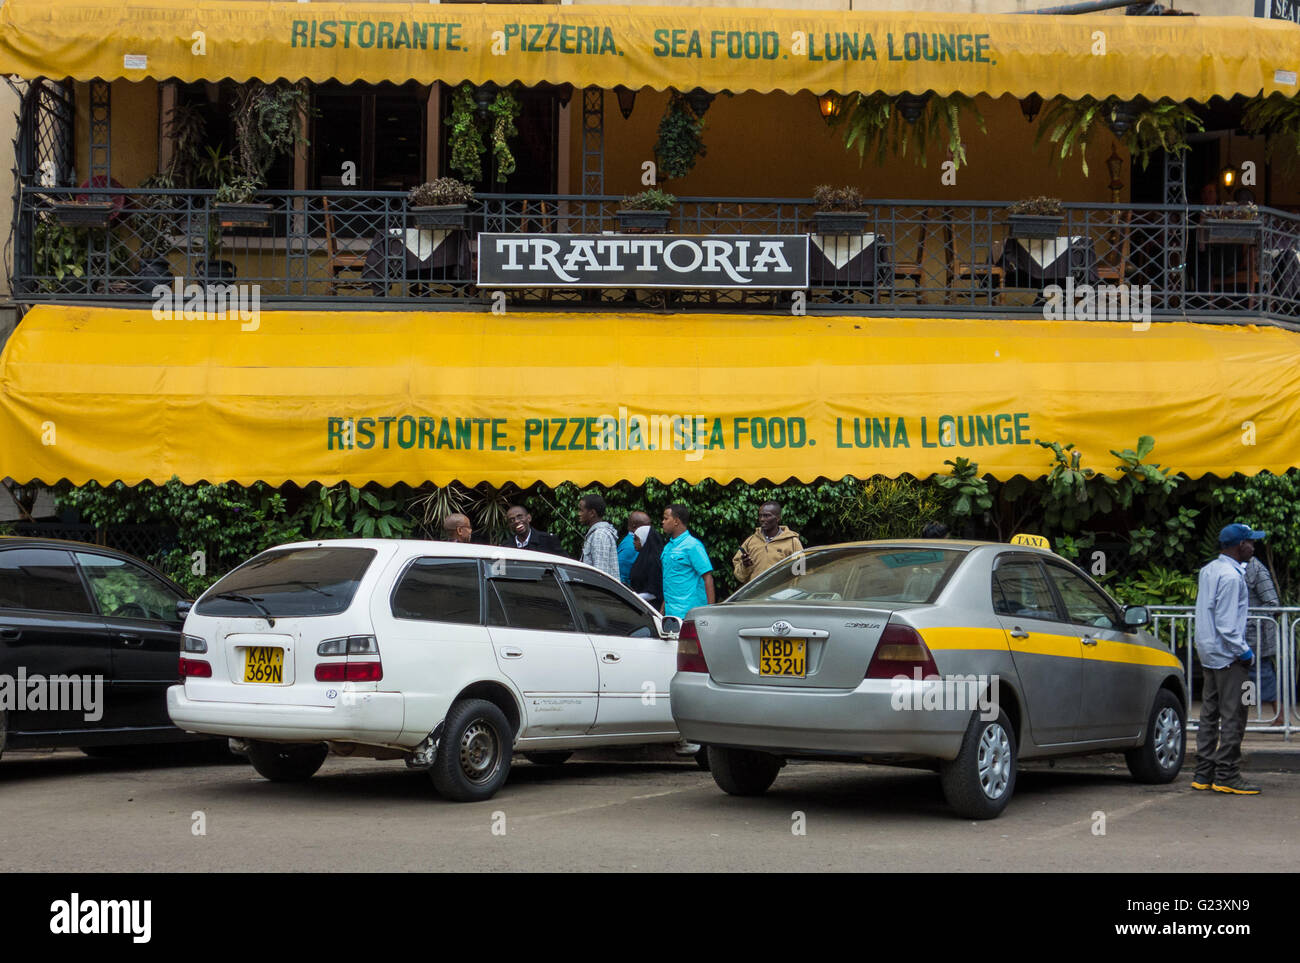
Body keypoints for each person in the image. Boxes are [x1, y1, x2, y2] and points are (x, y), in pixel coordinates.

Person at [1192, 522, 1265, 795]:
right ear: (1239, 546)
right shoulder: (1232, 577)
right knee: (1234, 715)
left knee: (1209, 714)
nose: (1253, 547)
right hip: (1229, 655)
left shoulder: (1209, 570)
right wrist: (1244, 653)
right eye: (1250, 542)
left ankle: (1203, 773)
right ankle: (1226, 774)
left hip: (1209, 652)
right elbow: (1227, 624)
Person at [1243, 550, 1282, 726]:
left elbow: (1273, 603)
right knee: (1245, 676)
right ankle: (1245, 717)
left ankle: (1279, 717)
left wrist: (1249, 619)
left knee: (1263, 674)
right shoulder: (1240, 568)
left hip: (1256, 635)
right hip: (1245, 634)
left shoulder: (1257, 569)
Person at [660, 503, 715, 619]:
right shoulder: (668, 547)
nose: (662, 522)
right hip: (671, 613)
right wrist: (662, 609)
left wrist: (710, 613)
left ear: (676, 521)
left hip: (690, 614)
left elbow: (708, 578)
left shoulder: (693, 545)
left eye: (666, 518)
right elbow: (670, 580)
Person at [732, 500, 803, 585]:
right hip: (755, 595)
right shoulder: (750, 541)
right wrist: (745, 566)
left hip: (781, 595)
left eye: (767, 516)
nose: (762, 519)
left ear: (778, 518)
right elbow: (739, 577)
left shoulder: (792, 542)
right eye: (760, 516)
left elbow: (801, 572)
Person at [578, 491, 620, 580]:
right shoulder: (596, 533)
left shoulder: (599, 535)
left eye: (581, 510)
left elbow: (600, 573)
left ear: (592, 513)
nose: (579, 514)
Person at [629, 522, 665, 608]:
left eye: (636, 539)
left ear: (643, 539)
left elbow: (655, 591)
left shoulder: (654, 561)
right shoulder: (642, 558)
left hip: (652, 607)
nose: (634, 542)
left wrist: (634, 597)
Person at [618, 511, 650, 585]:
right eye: (647, 526)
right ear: (634, 526)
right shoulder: (631, 546)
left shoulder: (637, 541)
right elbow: (622, 577)